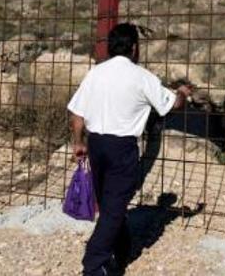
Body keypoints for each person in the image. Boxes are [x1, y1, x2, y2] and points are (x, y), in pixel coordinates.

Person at [68, 23, 192, 276]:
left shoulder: (95, 73)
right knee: (113, 209)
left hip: (96, 144)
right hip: (122, 148)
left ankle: (121, 253)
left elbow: (77, 111)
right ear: (135, 48)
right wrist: (182, 92)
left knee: (109, 204)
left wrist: (78, 141)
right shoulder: (143, 77)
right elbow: (171, 105)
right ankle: (94, 264)